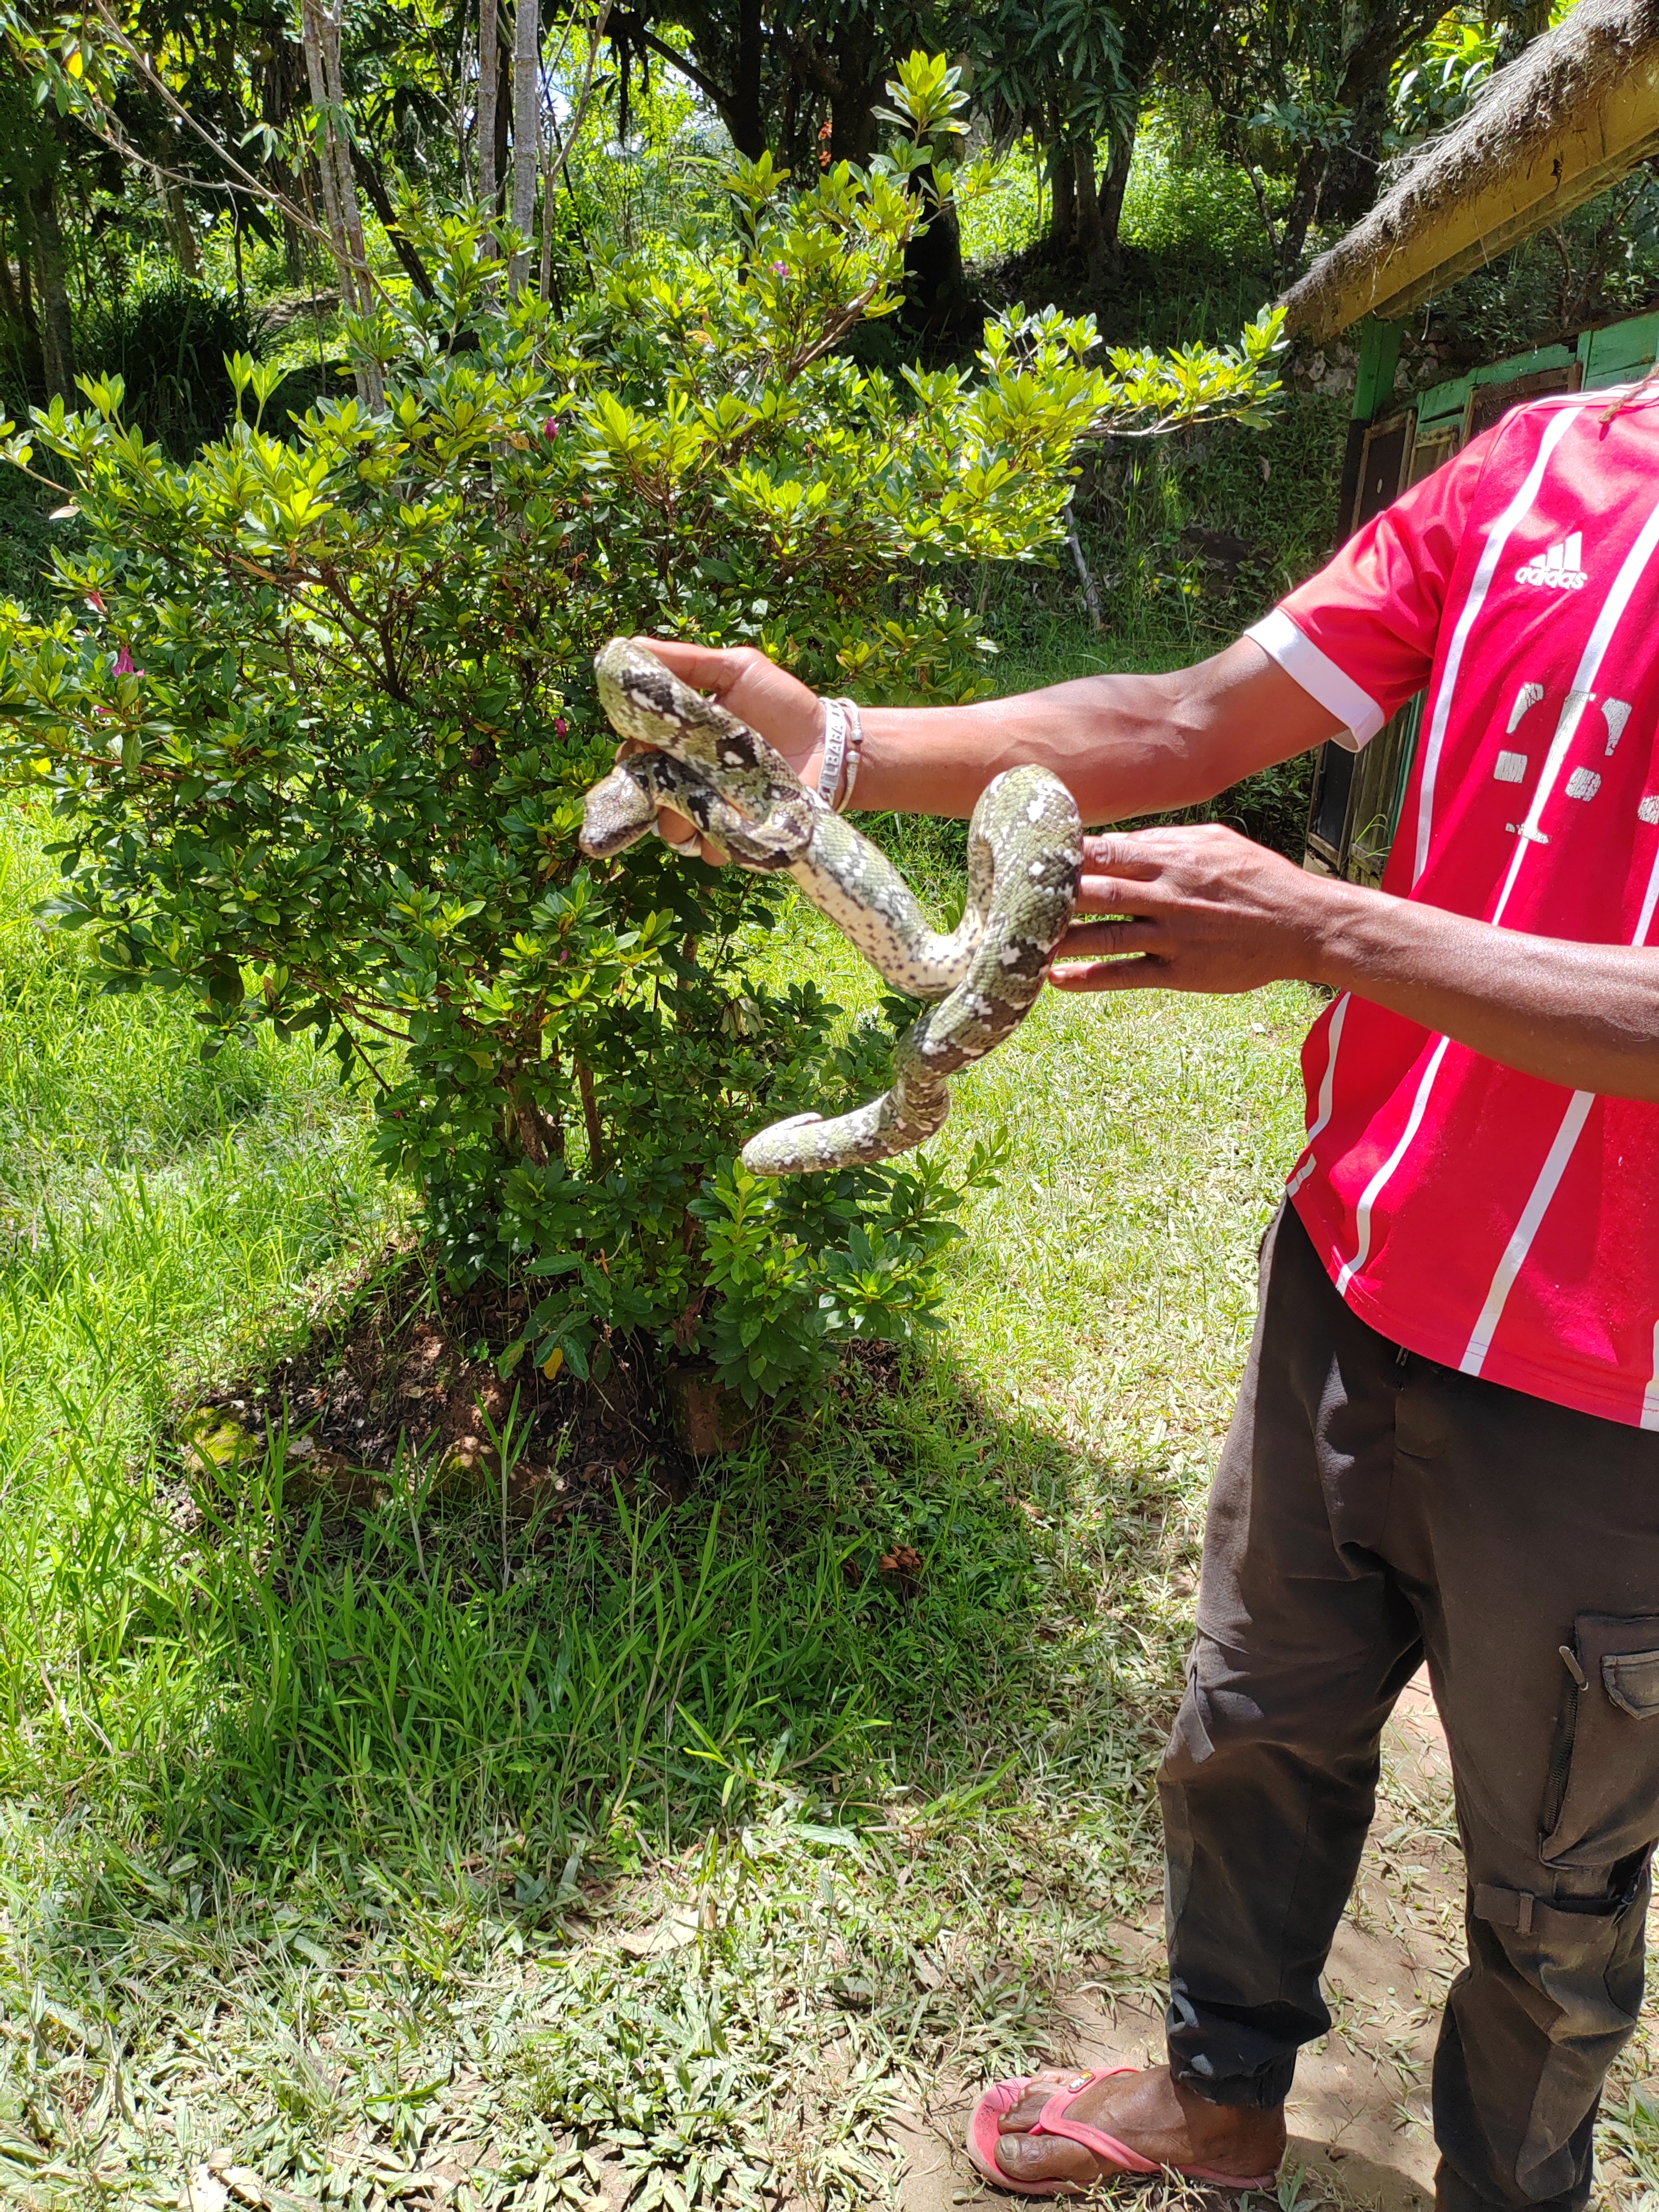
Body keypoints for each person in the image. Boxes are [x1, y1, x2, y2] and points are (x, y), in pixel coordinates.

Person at [641, 372, 1659, 2211]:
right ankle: (1217, 2106)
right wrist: (841, 747)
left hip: (1620, 1408)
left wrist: (1317, 926)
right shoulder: (1545, 469)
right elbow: (1188, 715)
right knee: (1252, 1722)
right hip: (1349, 1270)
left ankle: (1509, 2191)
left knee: (1554, 1890)